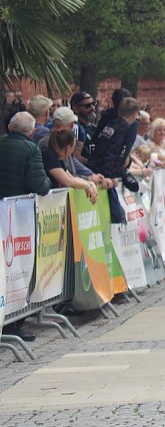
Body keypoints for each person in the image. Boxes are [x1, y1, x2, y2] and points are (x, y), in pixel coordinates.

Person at [0, 112, 53, 342]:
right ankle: (14, 322)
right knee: (20, 268)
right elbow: (39, 184)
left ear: (10, 127)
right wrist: (50, 183)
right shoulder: (32, 150)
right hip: (19, 219)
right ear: (32, 132)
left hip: (5, 214)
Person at [39, 129, 99, 203]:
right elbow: (67, 181)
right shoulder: (49, 155)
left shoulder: (58, 159)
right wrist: (87, 186)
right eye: (74, 147)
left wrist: (89, 183)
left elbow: (72, 178)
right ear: (68, 147)